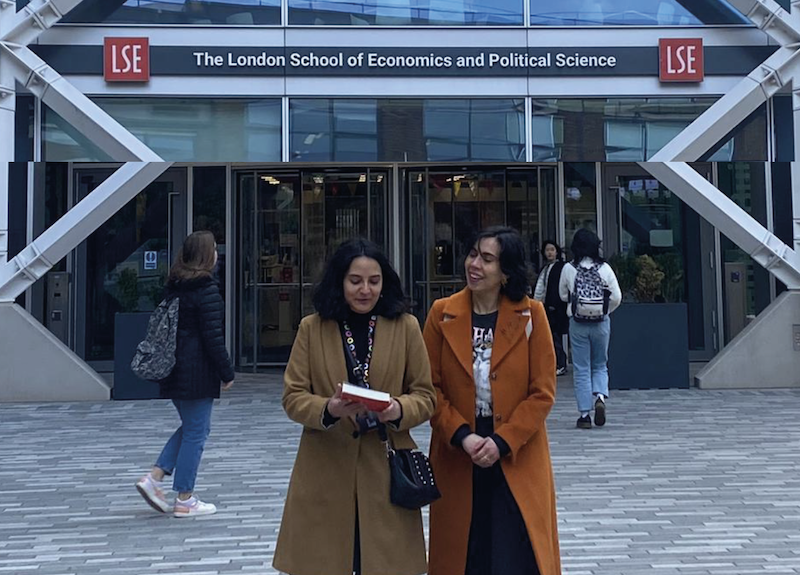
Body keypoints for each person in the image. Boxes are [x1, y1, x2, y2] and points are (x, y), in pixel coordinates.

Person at [273, 238, 436, 575]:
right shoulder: (312, 327)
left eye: (374, 281)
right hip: (325, 470)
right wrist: (329, 409)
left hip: (387, 470)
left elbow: (426, 395)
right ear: (339, 281)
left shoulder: (405, 327)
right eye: (355, 281)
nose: (365, 290)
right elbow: (293, 397)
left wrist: (397, 409)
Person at [423, 226, 561, 575]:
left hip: (516, 451)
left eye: (487, 259)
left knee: (515, 552)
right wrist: (462, 435)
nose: (475, 265)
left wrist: (502, 441)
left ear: (507, 272)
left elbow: (542, 392)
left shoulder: (532, 315)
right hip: (458, 449)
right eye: (473, 254)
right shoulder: (441, 314)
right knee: (464, 553)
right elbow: (428, 388)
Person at [135, 230, 234, 517]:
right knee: (196, 433)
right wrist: (226, 372)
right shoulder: (206, 292)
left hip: (174, 370)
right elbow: (213, 339)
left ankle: (155, 478)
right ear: (206, 256)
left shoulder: (176, 287)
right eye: (214, 248)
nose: (217, 253)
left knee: (193, 428)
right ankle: (184, 497)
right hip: (196, 373)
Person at [558, 228, 622, 429]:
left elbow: (562, 295)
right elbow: (617, 297)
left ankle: (584, 415)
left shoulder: (569, 268)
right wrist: (605, 311)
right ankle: (600, 397)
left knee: (581, 368)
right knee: (600, 364)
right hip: (601, 323)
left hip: (578, 323)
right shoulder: (605, 269)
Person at [533, 240, 569, 376]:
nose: (549, 252)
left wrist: (554, 304)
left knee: (555, 336)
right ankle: (555, 363)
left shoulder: (561, 267)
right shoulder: (545, 268)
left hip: (555, 307)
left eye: (552, 250)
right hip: (545, 306)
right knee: (551, 337)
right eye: (547, 250)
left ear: (557, 251)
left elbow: (557, 288)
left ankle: (561, 363)